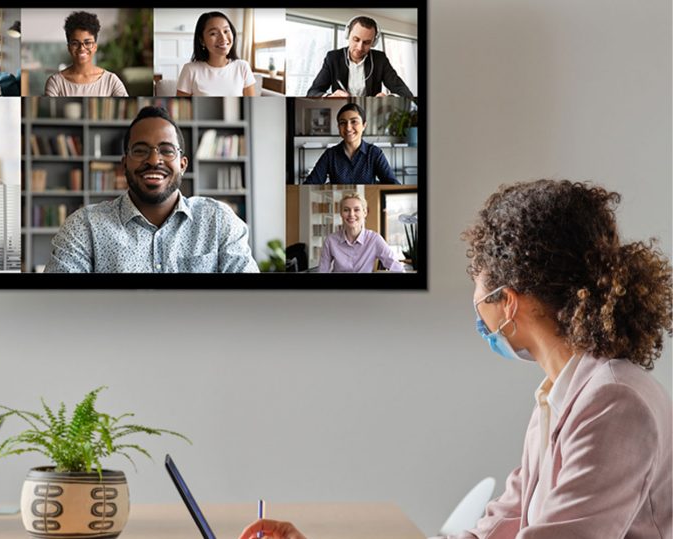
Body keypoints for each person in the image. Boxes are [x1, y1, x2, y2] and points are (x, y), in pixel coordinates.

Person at [240, 180, 672, 539]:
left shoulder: (614, 402)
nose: (475, 302)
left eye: (477, 283)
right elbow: (499, 525)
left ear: (509, 301)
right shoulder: (560, 394)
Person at [44, 106, 258, 273]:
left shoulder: (219, 221)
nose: (154, 160)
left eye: (166, 150)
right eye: (140, 150)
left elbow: (250, 303)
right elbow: (59, 309)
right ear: (124, 163)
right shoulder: (84, 227)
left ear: (183, 165)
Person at [304, 16, 413, 98]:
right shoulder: (333, 58)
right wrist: (329, 97)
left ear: (374, 43)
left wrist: (390, 98)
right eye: (356, 39)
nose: (360, 47)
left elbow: (404, 91)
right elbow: (312, 92)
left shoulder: (380, 59)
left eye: (366, 42)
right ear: (347, 35)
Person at [302, 103, 399, 185]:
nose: (348, 128)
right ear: (338, 127)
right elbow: (310, 184)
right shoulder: (330, 155)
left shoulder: (374, 153)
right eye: (343, 123)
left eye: (354, 122)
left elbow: (393, 184)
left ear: (364, 125)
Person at [44, 11, 129, 97]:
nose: (82, 48)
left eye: (87, 43)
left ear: (95, 47)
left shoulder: (111, 80)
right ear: (69, 47)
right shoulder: (55, 82)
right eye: (75, 43)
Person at [318, 192, 404, 272]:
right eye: (346, 210)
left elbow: (397, 268)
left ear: (365, 212)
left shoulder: (374, 239)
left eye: (356, 210)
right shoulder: (330, 240)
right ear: (341, 213)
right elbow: (322, 270)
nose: (351, 214)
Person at [176, 12, 257, 97]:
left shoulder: (242, 67)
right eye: (213, 33)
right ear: (202, 40)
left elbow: (250, 106)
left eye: (226, 31)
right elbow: (182, 109)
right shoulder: (190, 70)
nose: (223, 38)